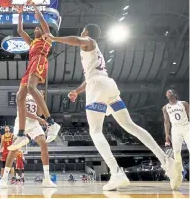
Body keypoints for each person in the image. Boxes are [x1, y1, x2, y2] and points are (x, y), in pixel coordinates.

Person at [44, 24, 178, 191]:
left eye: (83, 32)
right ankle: (166, 160)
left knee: (95, 131)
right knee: (130, 125)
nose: (81, 34)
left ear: (86, 32)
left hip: (98, 86)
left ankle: (116, 173)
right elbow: (91, 76)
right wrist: (77, 91)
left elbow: (78, 40)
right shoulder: (95, 52)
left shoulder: (89, 40)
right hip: (108, 85)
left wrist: (54, 38)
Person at [9, 0, 61, 151]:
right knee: (19, 97)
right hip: (31, 64)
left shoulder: (47, 38)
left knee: (32, 88)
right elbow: (20, 31)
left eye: (39, 28)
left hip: (40, 60)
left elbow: (41, 20)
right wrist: (19, 14)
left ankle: (51, 123)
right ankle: (21, 135)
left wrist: (33, 6)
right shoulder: (32, 42)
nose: (37, 28)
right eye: (36, 28)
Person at [0, 92, 56, 188]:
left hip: (34, 123)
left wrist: (40, 100)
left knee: (44, 143)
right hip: (22, 121)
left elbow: (39, 113)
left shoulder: (36, 94)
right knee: (14, 149)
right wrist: (39, 119)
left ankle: (47, 178)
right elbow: (24, 112)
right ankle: (4, 178)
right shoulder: (21, 93)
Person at [163, 89, 189, 189]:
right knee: (176, 151)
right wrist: (167, 134)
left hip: (186, 127)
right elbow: (166, 122)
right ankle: (179, 173)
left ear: (174, 94)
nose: (168, 93)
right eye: (167, 92)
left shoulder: (183, 103)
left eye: (170, 92)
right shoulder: (165, 107)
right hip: (175, 129)